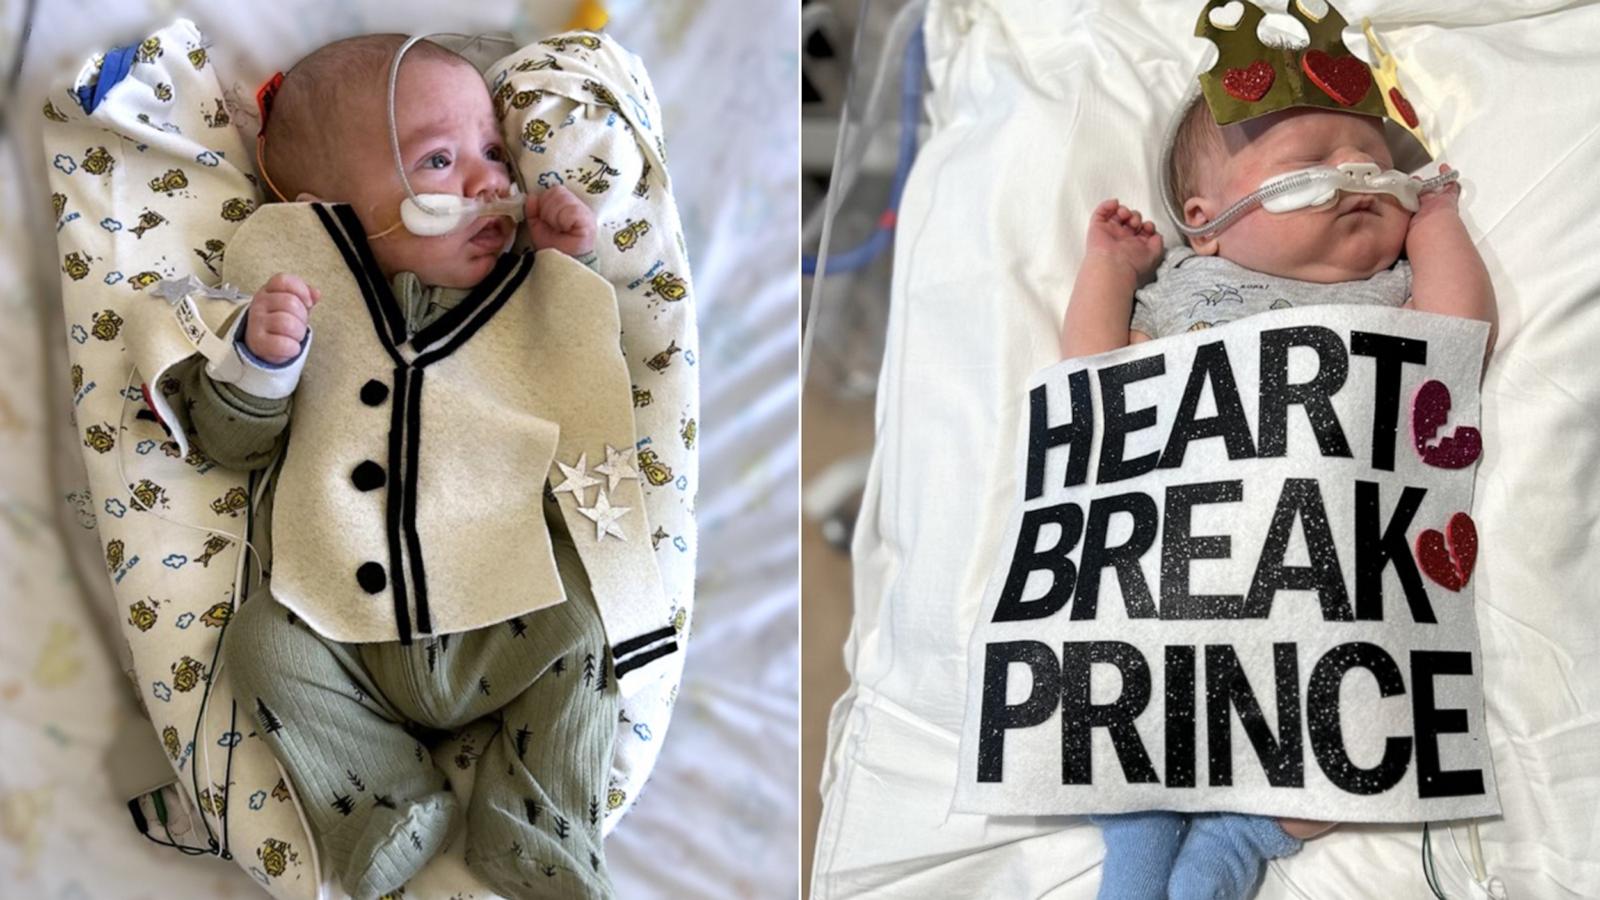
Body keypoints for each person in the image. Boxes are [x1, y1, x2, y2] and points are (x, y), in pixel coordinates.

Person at [187, 34, 654, 900]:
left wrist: (564, 270)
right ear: (326, 204)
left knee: (589, 635)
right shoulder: (291, 305)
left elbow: (586, 385)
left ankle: (536, 829)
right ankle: (384, 803)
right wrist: (261, 364)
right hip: (340, 625)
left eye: (491, 152)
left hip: (498, 612)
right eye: (440, 160)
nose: (487, 181)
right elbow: (231, 448)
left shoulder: (519, 299)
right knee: (258, 644)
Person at [1058, 90, 1497, 900]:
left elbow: (1457, 340)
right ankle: (1137, 839)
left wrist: (1436, 223)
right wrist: (1109, 272)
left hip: (1318, 578)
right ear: (1209, 221)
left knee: (1359, 735)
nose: (1356, 175)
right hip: (1183, 564)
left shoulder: (1392, 293)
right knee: (1129, 722)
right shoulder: (1186, 292)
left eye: (1374, 163)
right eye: (1311, 165)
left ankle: (1242, 836)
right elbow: (1091, 385)